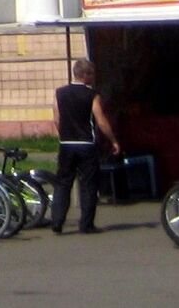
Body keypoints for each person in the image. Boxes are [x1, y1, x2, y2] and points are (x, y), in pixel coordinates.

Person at [49, 58, 119, 235]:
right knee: (88, 184)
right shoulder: (92, 95)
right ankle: (86, 224)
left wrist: (64, 134)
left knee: (63, 183)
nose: (94, 77)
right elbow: (101, 121)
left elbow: (56, 119)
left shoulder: (60, 93)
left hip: (66, 144)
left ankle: (57, 221)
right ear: (85, 75)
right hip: (86, 144)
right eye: (92, 74)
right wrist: (113, 140)